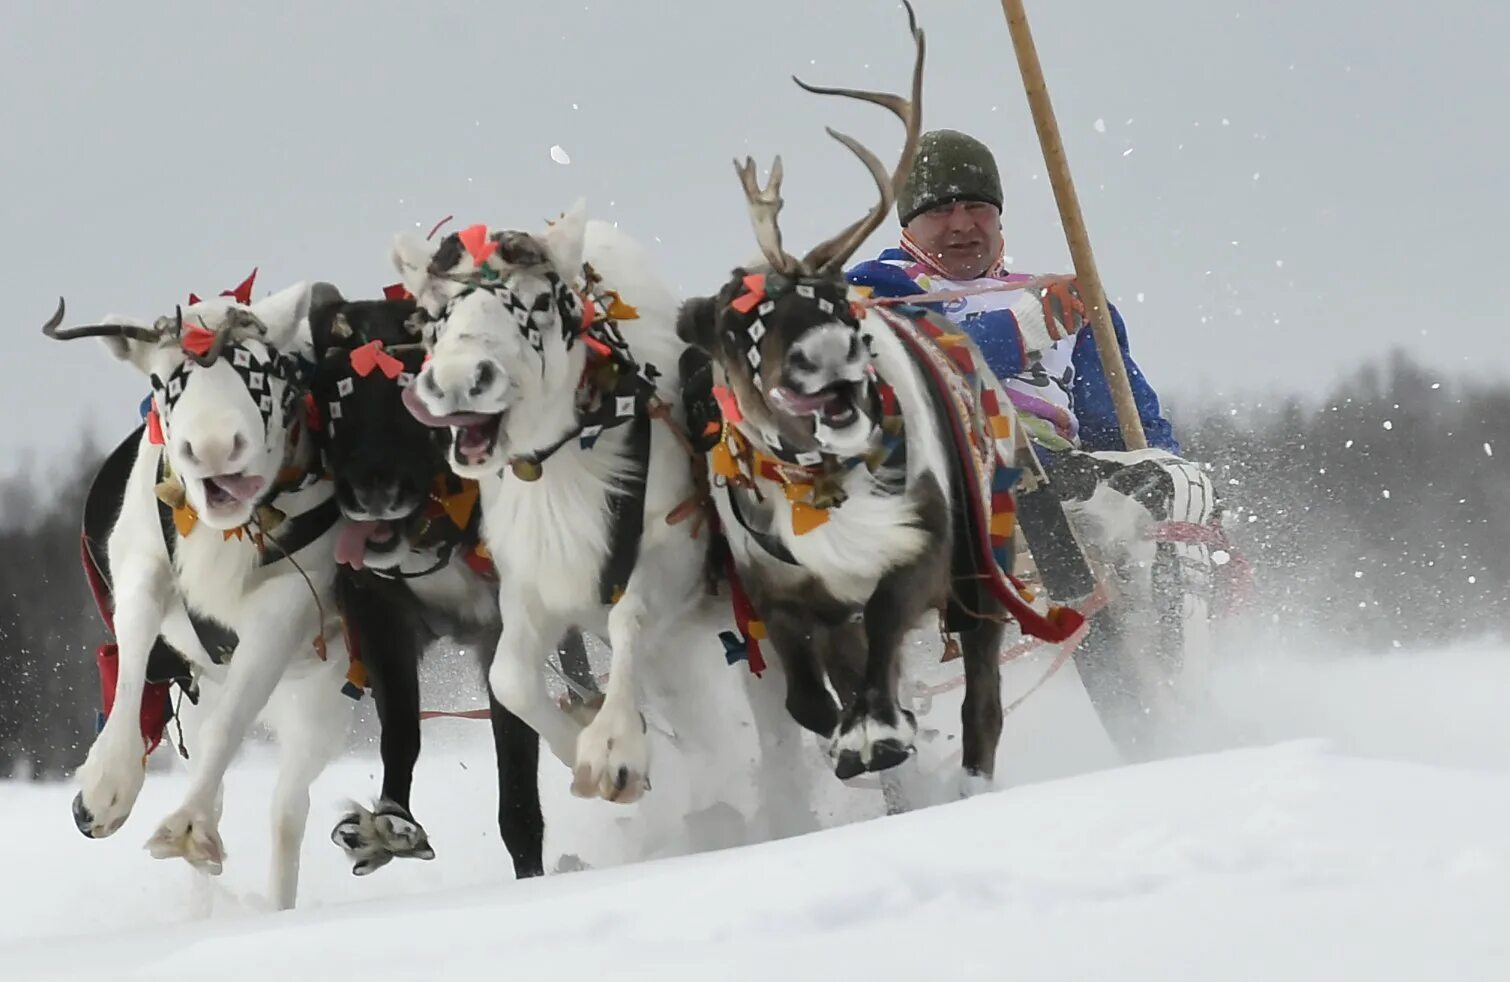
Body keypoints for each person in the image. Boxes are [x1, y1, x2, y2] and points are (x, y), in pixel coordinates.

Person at [846, 128, 1180, 475]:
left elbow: (1122, 424)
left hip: (1063, 473)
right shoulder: (878, 286)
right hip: (939, 468)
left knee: (1152, 485)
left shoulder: (1061, 303)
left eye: (976, 207)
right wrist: (1019, 331)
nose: (961, 224)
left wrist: (1165, 472)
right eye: (940, 210)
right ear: (909, 225)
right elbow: (903, 372)